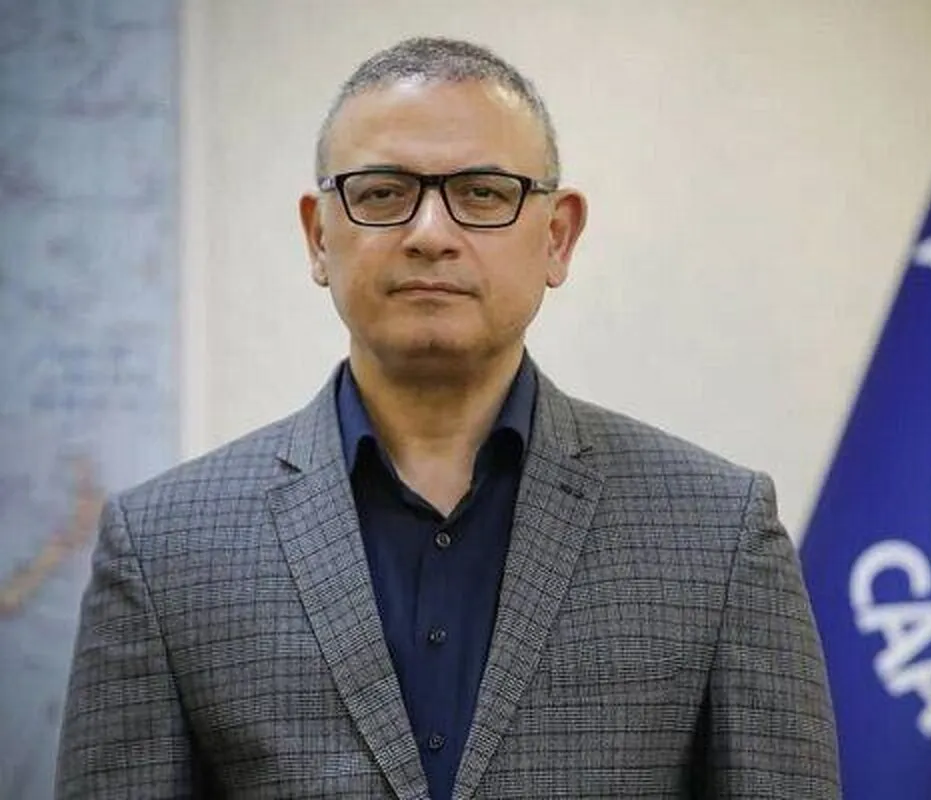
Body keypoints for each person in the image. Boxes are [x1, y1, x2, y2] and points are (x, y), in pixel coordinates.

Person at [56, 37, 840, 799]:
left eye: (483, 193)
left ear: (557, 237)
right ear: (318, 235)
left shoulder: (717, 531)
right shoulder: (162, 547)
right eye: (382, 193)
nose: (430, 235)